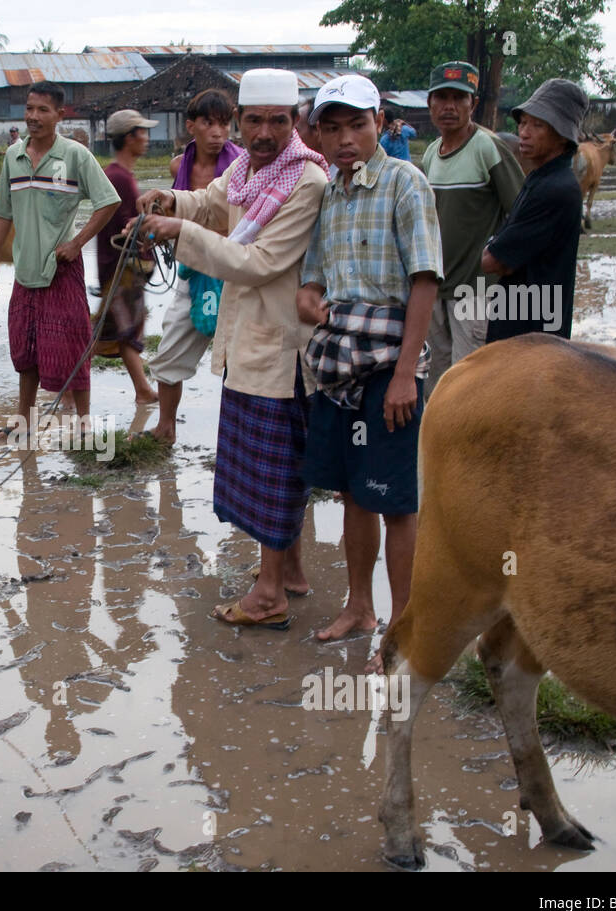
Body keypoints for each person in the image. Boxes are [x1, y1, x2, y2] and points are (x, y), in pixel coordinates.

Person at [138, 69, 330, 627]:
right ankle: (288, 572)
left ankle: (269, 595)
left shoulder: (305, 182)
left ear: (294, 123)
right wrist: (170, 200)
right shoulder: (247, 169)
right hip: (248, 343)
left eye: (277, 120)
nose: (264, 131)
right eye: (254, 120)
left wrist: (179, 233)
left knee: (273, 473)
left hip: (281, 351)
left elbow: (259, 262)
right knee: (276, 467)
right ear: (240, 123)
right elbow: (208, 202)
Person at [296, 75, 443, 646]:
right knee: (353, 492)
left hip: (390, 367)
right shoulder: (330, 193)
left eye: (356, 124)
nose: (344, 139)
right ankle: (359, 608)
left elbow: (424, 281)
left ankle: (403, 627)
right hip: (337, 366)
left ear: (379, 122)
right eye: (330, 129)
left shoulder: (405, 183)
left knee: (395, 499)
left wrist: (406, 372)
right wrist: (309, 298)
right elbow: (313, 278)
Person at [0, 81, 121, 440]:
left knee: (73, 346)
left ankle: (86, 424)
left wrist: (76, 243)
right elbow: (2, 212)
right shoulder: (13, 156)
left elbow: (108, 201)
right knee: (25, 349)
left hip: (62, 269)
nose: (34, 117)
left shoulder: (75, 156)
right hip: (25, 271)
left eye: (43, 110)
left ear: (60, 115)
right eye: (29, 109)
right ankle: (24, 421)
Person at [147, 88, 245, 444]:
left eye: (224, 123)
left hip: (235, 275)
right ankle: (166, 426)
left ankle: (237, 438)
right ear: (192, 126)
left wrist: (187, 229)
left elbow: (239, 224)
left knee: (240, 360)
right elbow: (180, 211)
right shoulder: (180, 166)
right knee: (169, 351)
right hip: (192, 272)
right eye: (209, 123)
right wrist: (156, 228)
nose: (219, 132)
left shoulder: (242, 167)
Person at [419, 60, 523, 396]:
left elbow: (520, 211)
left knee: (469, 381)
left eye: (458, 98)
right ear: (430, 103)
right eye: (442, 97)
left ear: (473, 104)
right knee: (435, 376)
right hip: (434, 286)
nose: (449, 106)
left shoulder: (487, 148)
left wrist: (499, 260)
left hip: (474, 290)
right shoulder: (431, 155)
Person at [480, 78, 590, 340]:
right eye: (523, 122)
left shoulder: (555, 189)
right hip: (518, 325)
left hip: (532, 337)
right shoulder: (539, 178)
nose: (524, 133)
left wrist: (498, 248)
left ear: (562, 137)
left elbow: (491, 260)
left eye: (537, 125)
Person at [95, 109, 161, 406]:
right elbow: (126, 229)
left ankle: (142, 389)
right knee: (123, 330)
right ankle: (143, 390)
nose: (146, 138)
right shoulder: (118, 178)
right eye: (142, 132)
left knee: (117, 329)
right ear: (129, 137)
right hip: (121, 268)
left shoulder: (120, 175)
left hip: (123, 267)